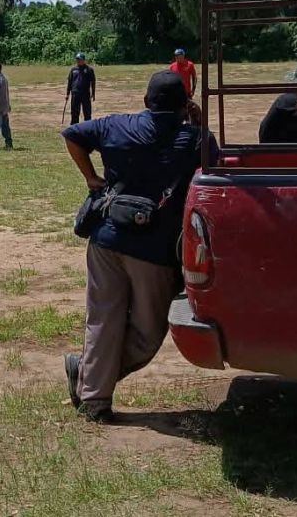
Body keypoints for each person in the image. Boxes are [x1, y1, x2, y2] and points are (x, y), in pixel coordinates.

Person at [61, 71, 216, 423]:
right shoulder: (194, 139)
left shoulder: (118, 125)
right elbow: (212, 161)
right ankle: (90, 386)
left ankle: (92, 392)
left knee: (102, 320)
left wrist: (91, 177)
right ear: (184, 104)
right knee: (148, 334)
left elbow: (72, 135)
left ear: (146, 101)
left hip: (106, 239)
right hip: (154, 251)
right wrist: (199, 121)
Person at [66, 53, 96, 125]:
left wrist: (93, 93)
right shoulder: (73, 70)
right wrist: (67, 94)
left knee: (87, 112)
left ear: (84, 60)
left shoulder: (89, 70)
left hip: (85, 94)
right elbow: (70, 82)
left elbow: (93, 82)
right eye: (77, 59)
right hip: (75, 93)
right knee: (74, 112)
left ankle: (88, 127)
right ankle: (74, 127)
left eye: (80, 59)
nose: (78, 61)